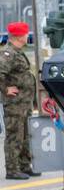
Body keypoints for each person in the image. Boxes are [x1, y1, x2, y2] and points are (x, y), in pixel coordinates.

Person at [1, 22, 37, 180]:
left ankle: (24, 166)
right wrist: (5, 89)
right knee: (14, 136)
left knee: (25, 135)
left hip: (24, 103)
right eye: (25, 33)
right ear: (19, 36)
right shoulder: (8, 53)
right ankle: (12, 169)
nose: (27, 36)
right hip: (14, 104)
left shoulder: (18, 52)